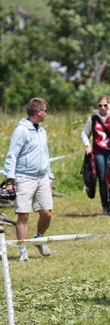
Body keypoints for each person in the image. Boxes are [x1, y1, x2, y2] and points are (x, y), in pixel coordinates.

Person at [3, 98, 53, 262]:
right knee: (23, 215)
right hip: (24, 178)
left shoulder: (41, 130)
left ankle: (39, 238)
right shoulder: (21, 131)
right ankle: (22, 250)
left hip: (42, 178)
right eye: (45, 110)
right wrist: (10, 180)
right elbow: (12, 156)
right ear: (39, 112)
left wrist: (49, 176)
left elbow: (45, 155)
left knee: (46, 213)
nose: (46, 113)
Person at [80, 95, 110, 216]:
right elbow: (84, 133)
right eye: (100, 105)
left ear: (109, 105)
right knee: (103, 179)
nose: (102, 108)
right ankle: (105, 206)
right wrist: (88, 145)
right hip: (99, 151)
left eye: (105, 105)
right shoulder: (93, 119)